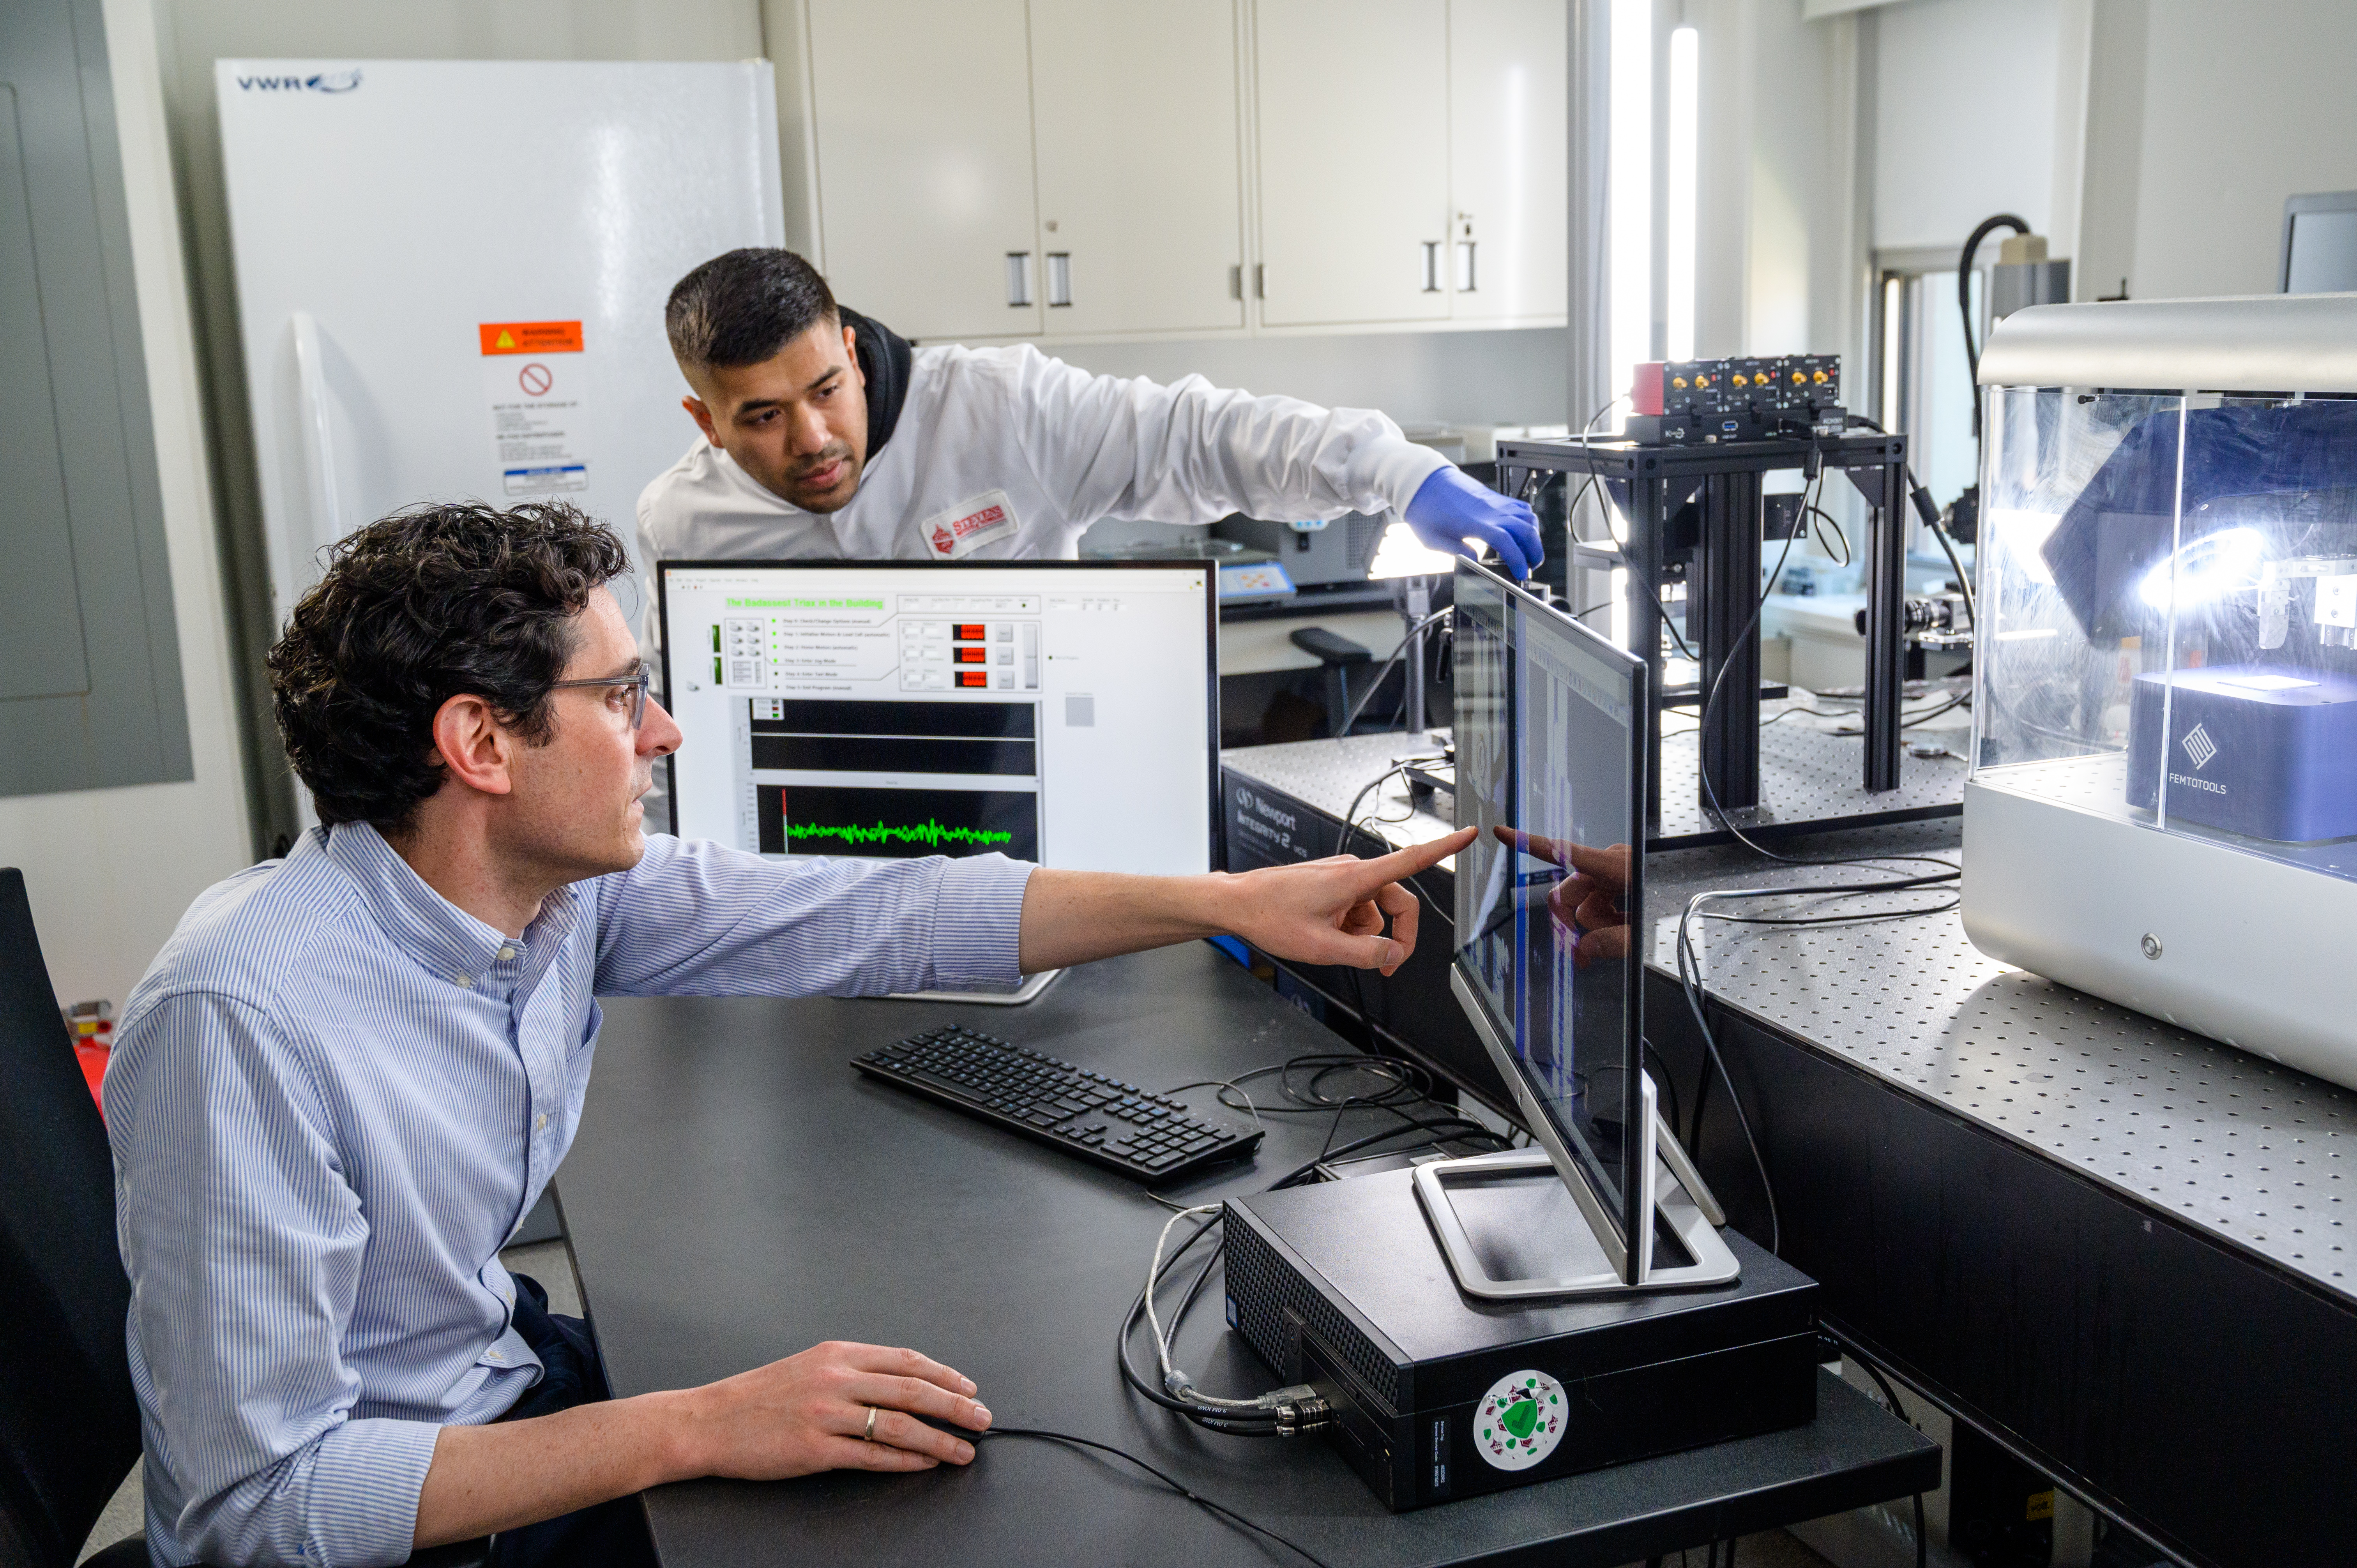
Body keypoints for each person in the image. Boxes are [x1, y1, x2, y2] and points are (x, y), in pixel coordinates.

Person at [104, 500, 1473, 1568]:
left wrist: (1227, 902)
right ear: (481, 743)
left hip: (491, 1367)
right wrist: (695, 1425)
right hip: (404, 1520)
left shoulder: (550, 899)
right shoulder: (245, 1023)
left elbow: (881, 915)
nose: (662, 730)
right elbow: (254, 1509)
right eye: (619, 696)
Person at [635, 247, 1542, 577]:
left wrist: (1398, 469)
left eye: (828, 390)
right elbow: (671, 732)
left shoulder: (1000, 408)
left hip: (1029, 833)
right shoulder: (685, 523)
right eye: (764, 417)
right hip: (816, 852)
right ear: (706, 422)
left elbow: (1200, 434)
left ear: (848, 349)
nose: (814, 439)